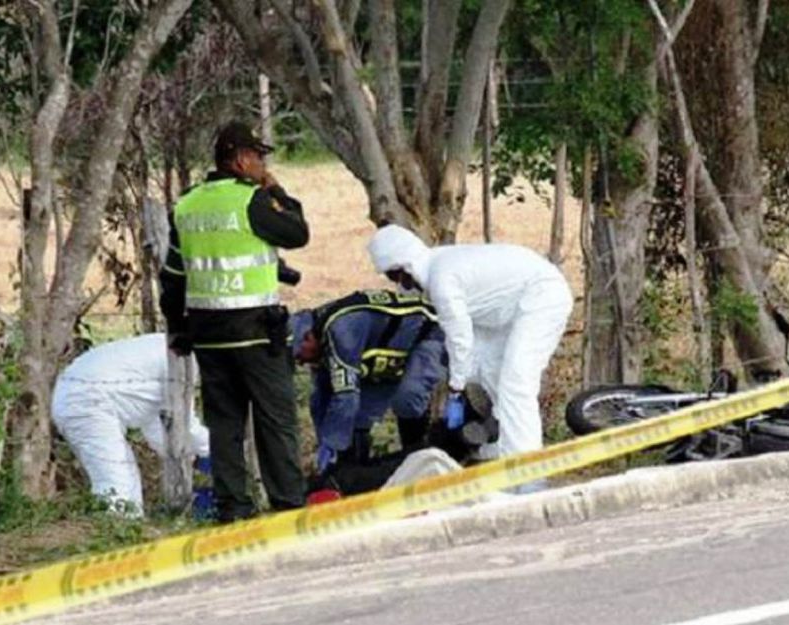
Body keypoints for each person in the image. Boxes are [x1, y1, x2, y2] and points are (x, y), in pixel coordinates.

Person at [159, 120, 308, 522]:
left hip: (208, 336)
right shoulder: (252, 201)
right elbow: (297, 232)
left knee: (224, 426)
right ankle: (288, 507)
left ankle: (233, 509)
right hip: (257, 333)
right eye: (259, 157)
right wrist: (274, 190)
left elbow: (172, 276)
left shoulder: (187, 205)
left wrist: (177, 327)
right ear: (241, 160)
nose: (262, 163)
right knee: (275, 421)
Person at [367, 225, 573, 461]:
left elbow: (459, 337)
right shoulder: (435, 266)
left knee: (516, 381)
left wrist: (456, 386)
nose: (397, 283)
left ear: (404, 265)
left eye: (393, 275)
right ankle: (504, 445)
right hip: (505, 310)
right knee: (486, 370)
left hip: (542, 296)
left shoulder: (441, 280)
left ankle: (527, 468)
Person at [292, 290, 447, 495]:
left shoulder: (340, 331)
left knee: (407, 399)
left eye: (297, 355)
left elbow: (346, 397)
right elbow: (322, 398)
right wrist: (326, 447)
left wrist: (332, 445)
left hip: (428, 334)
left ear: (307, 337)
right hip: (385, 346)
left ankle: (423, 458)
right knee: (355, 420)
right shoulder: (322, 335)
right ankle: (350, 477)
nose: (300, 362)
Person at [51, 333, 210, 517]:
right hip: (86, 400)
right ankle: (111, 534)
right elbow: (183, 425)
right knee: (115, 480)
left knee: (127, 477)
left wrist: (193, 455)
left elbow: (158, 427)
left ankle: (128, 531)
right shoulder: (185, 362)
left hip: (83, 396)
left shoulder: (168, 352)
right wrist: (212, 452)